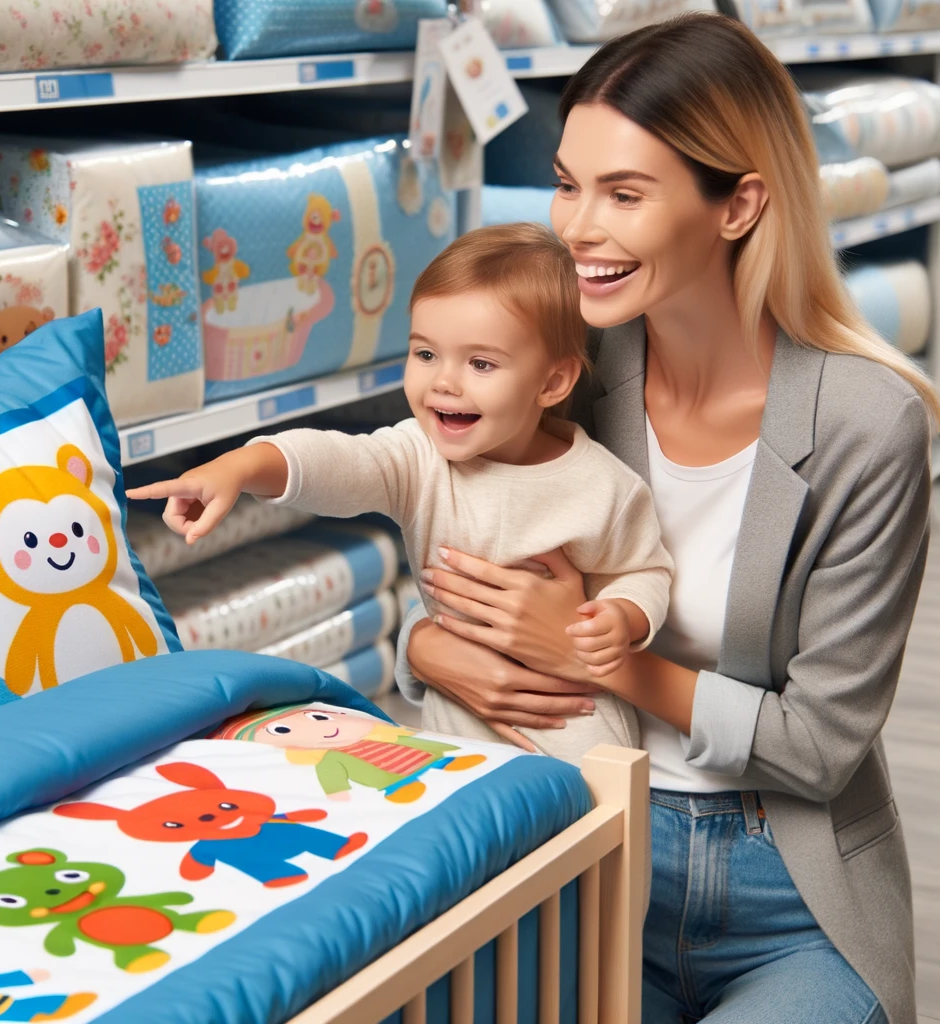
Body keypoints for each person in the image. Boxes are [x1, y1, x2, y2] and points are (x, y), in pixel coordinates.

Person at [393, 14, 934, 1024]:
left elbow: (818, 744)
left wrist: (604, 657)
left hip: (792, 893)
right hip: (584, 846)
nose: (576, 226)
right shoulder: (569, 377)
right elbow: (444, 543)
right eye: (567, 182)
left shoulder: (870, 424)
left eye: (624, 194)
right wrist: (427, 646)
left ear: (737, 205)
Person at [127, 222, 674, 766]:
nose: (444, 382)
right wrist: (244, 466)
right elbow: (340, 461)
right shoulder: (419, 459)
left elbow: (644, 571)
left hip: (581, 742)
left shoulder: (604, 486)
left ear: (553, 383)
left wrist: (624, 616)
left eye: (480, 363)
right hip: (459, 743)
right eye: (426, 354)